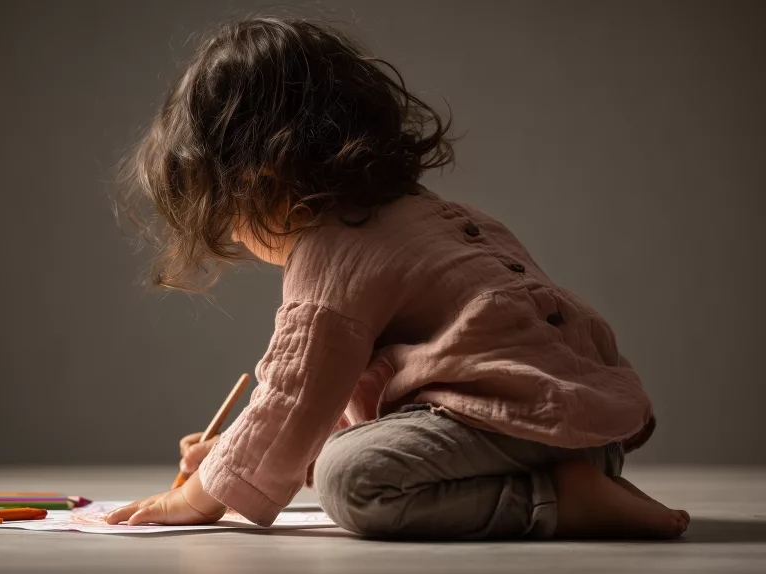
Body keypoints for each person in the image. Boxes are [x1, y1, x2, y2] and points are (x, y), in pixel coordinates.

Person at [105, 16, 688, 540]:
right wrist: (227, 459)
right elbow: (338, 403)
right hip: (589, 435)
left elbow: (293, 396)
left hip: (509, 431)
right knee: (351, 446)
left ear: (261, 180)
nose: (237, 235)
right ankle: (587, 481)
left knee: (352, 477)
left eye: (228, 214)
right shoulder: (439, 217)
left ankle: (558, 503)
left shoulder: (331, 246)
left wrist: (197, 494)